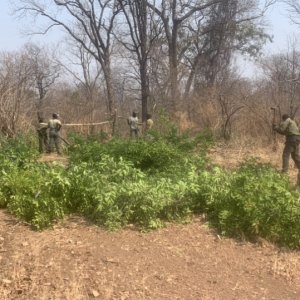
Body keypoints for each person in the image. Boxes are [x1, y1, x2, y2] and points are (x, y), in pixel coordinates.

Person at [273, 114, 300, 184]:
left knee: (285, 155)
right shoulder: (293, 122)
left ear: (284, 118)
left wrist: (276, 128)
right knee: (295, 156)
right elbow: (284, 132)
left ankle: (284, 171)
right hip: (297, 139)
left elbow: (282, 129)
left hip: (291, 139)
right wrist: (277, 129)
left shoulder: (287, 121)